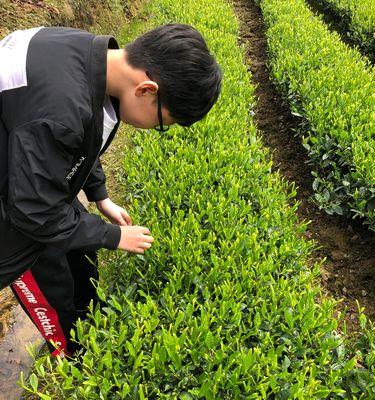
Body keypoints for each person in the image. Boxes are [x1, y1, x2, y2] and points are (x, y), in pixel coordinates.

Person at [0, 23, 222, 357]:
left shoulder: (85, 55)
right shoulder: (61, 108)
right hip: (15, 217)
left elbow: (77, 138)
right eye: (164, 123)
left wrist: (99, 195)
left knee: (80, 258)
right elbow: (34, 213)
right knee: (52, 291)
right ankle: (72, 355)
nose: (154, 128)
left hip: (28, 178)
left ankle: (89, 323)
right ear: (147, 90)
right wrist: (114, 237)